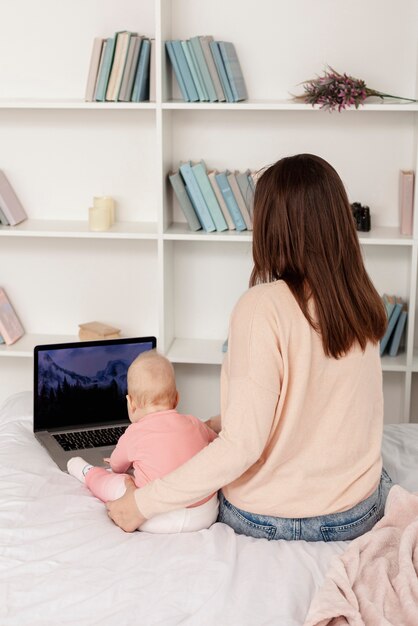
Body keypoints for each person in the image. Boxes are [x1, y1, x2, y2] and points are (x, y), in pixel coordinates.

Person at [107, 153, 393, 542]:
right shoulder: (359, 298)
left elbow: (241, 448)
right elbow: (320, 400)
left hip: (273, 517)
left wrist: (141, 503)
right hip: (356, 511)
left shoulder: (261, 308)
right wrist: (220, 423)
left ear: (273, 227)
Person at [67, 350, 218, 533]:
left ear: (130, 403)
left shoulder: (135, 432)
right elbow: (217, 443)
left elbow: (116, 466)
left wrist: (119, 465)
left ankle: (87, 473)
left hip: (155, 517)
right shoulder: (194, 423)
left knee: (121, 482)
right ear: (177, 398)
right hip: (204, 513)